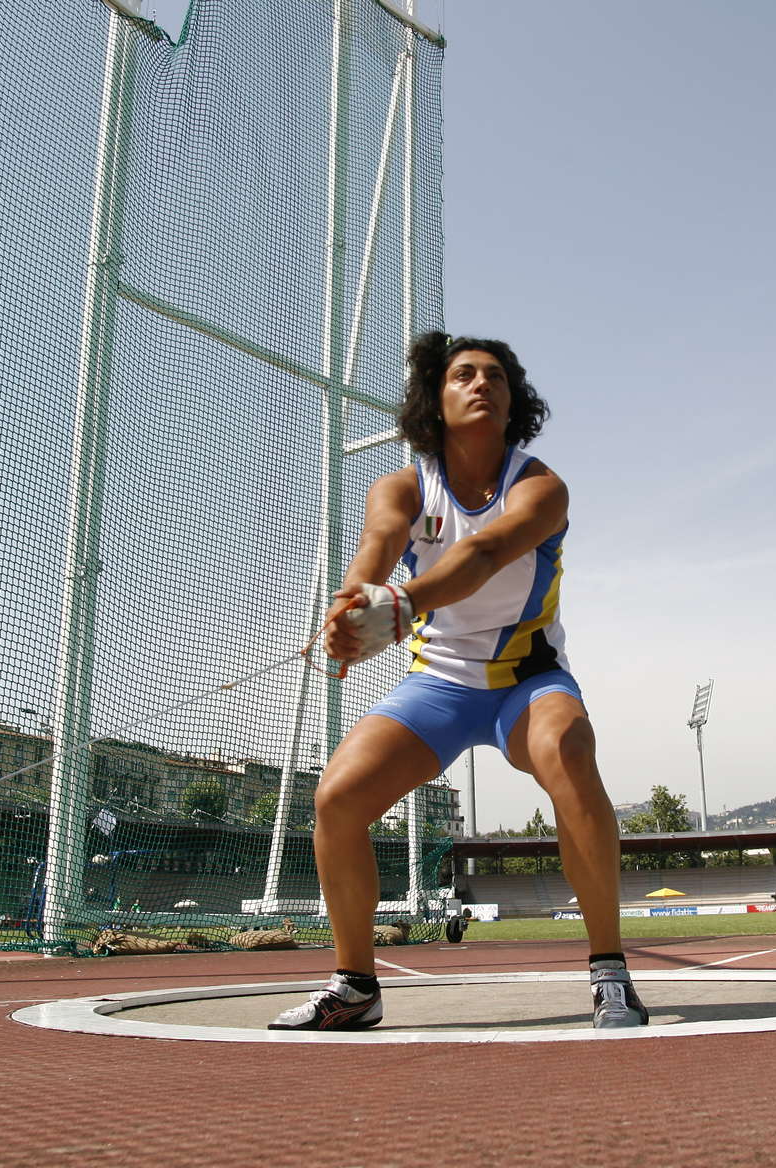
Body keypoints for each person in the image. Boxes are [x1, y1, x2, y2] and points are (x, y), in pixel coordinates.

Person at [269, 331, 647, 1032]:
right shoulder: (404, 486)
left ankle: (609, 971)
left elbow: (486, 551)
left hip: (526, 680)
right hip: (439, 683)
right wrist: (350, 609)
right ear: (434, 400)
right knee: (338, 797)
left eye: (496, 377)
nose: (482, 385)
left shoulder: (540, 485)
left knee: (571, 752)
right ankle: (355, 987)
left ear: (513, 401)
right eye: (464, 375)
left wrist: (403, 604)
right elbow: (376, 549)